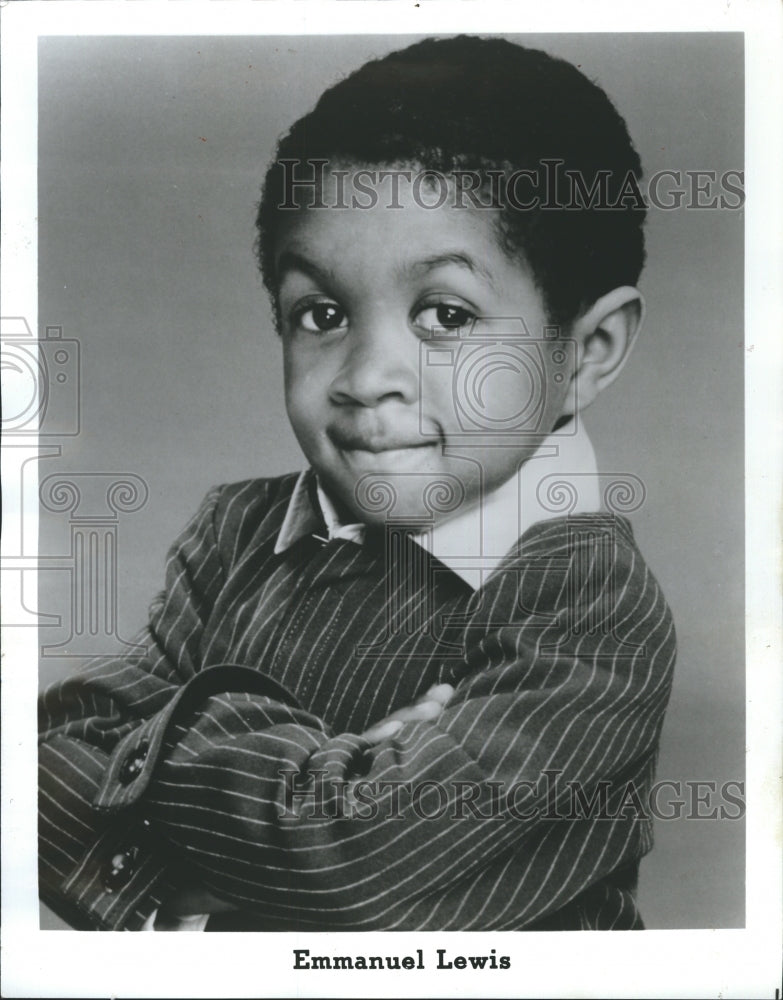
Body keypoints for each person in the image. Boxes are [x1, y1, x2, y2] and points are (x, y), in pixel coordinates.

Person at [38, 35, 676, 931]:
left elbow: (350, 873)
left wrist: (157, 782)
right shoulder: (239, 532)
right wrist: (322, 782)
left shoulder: (584, 604)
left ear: (585, 352)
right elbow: (34, 770)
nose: (367, 373)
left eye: (446, 316)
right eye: (321, 314)